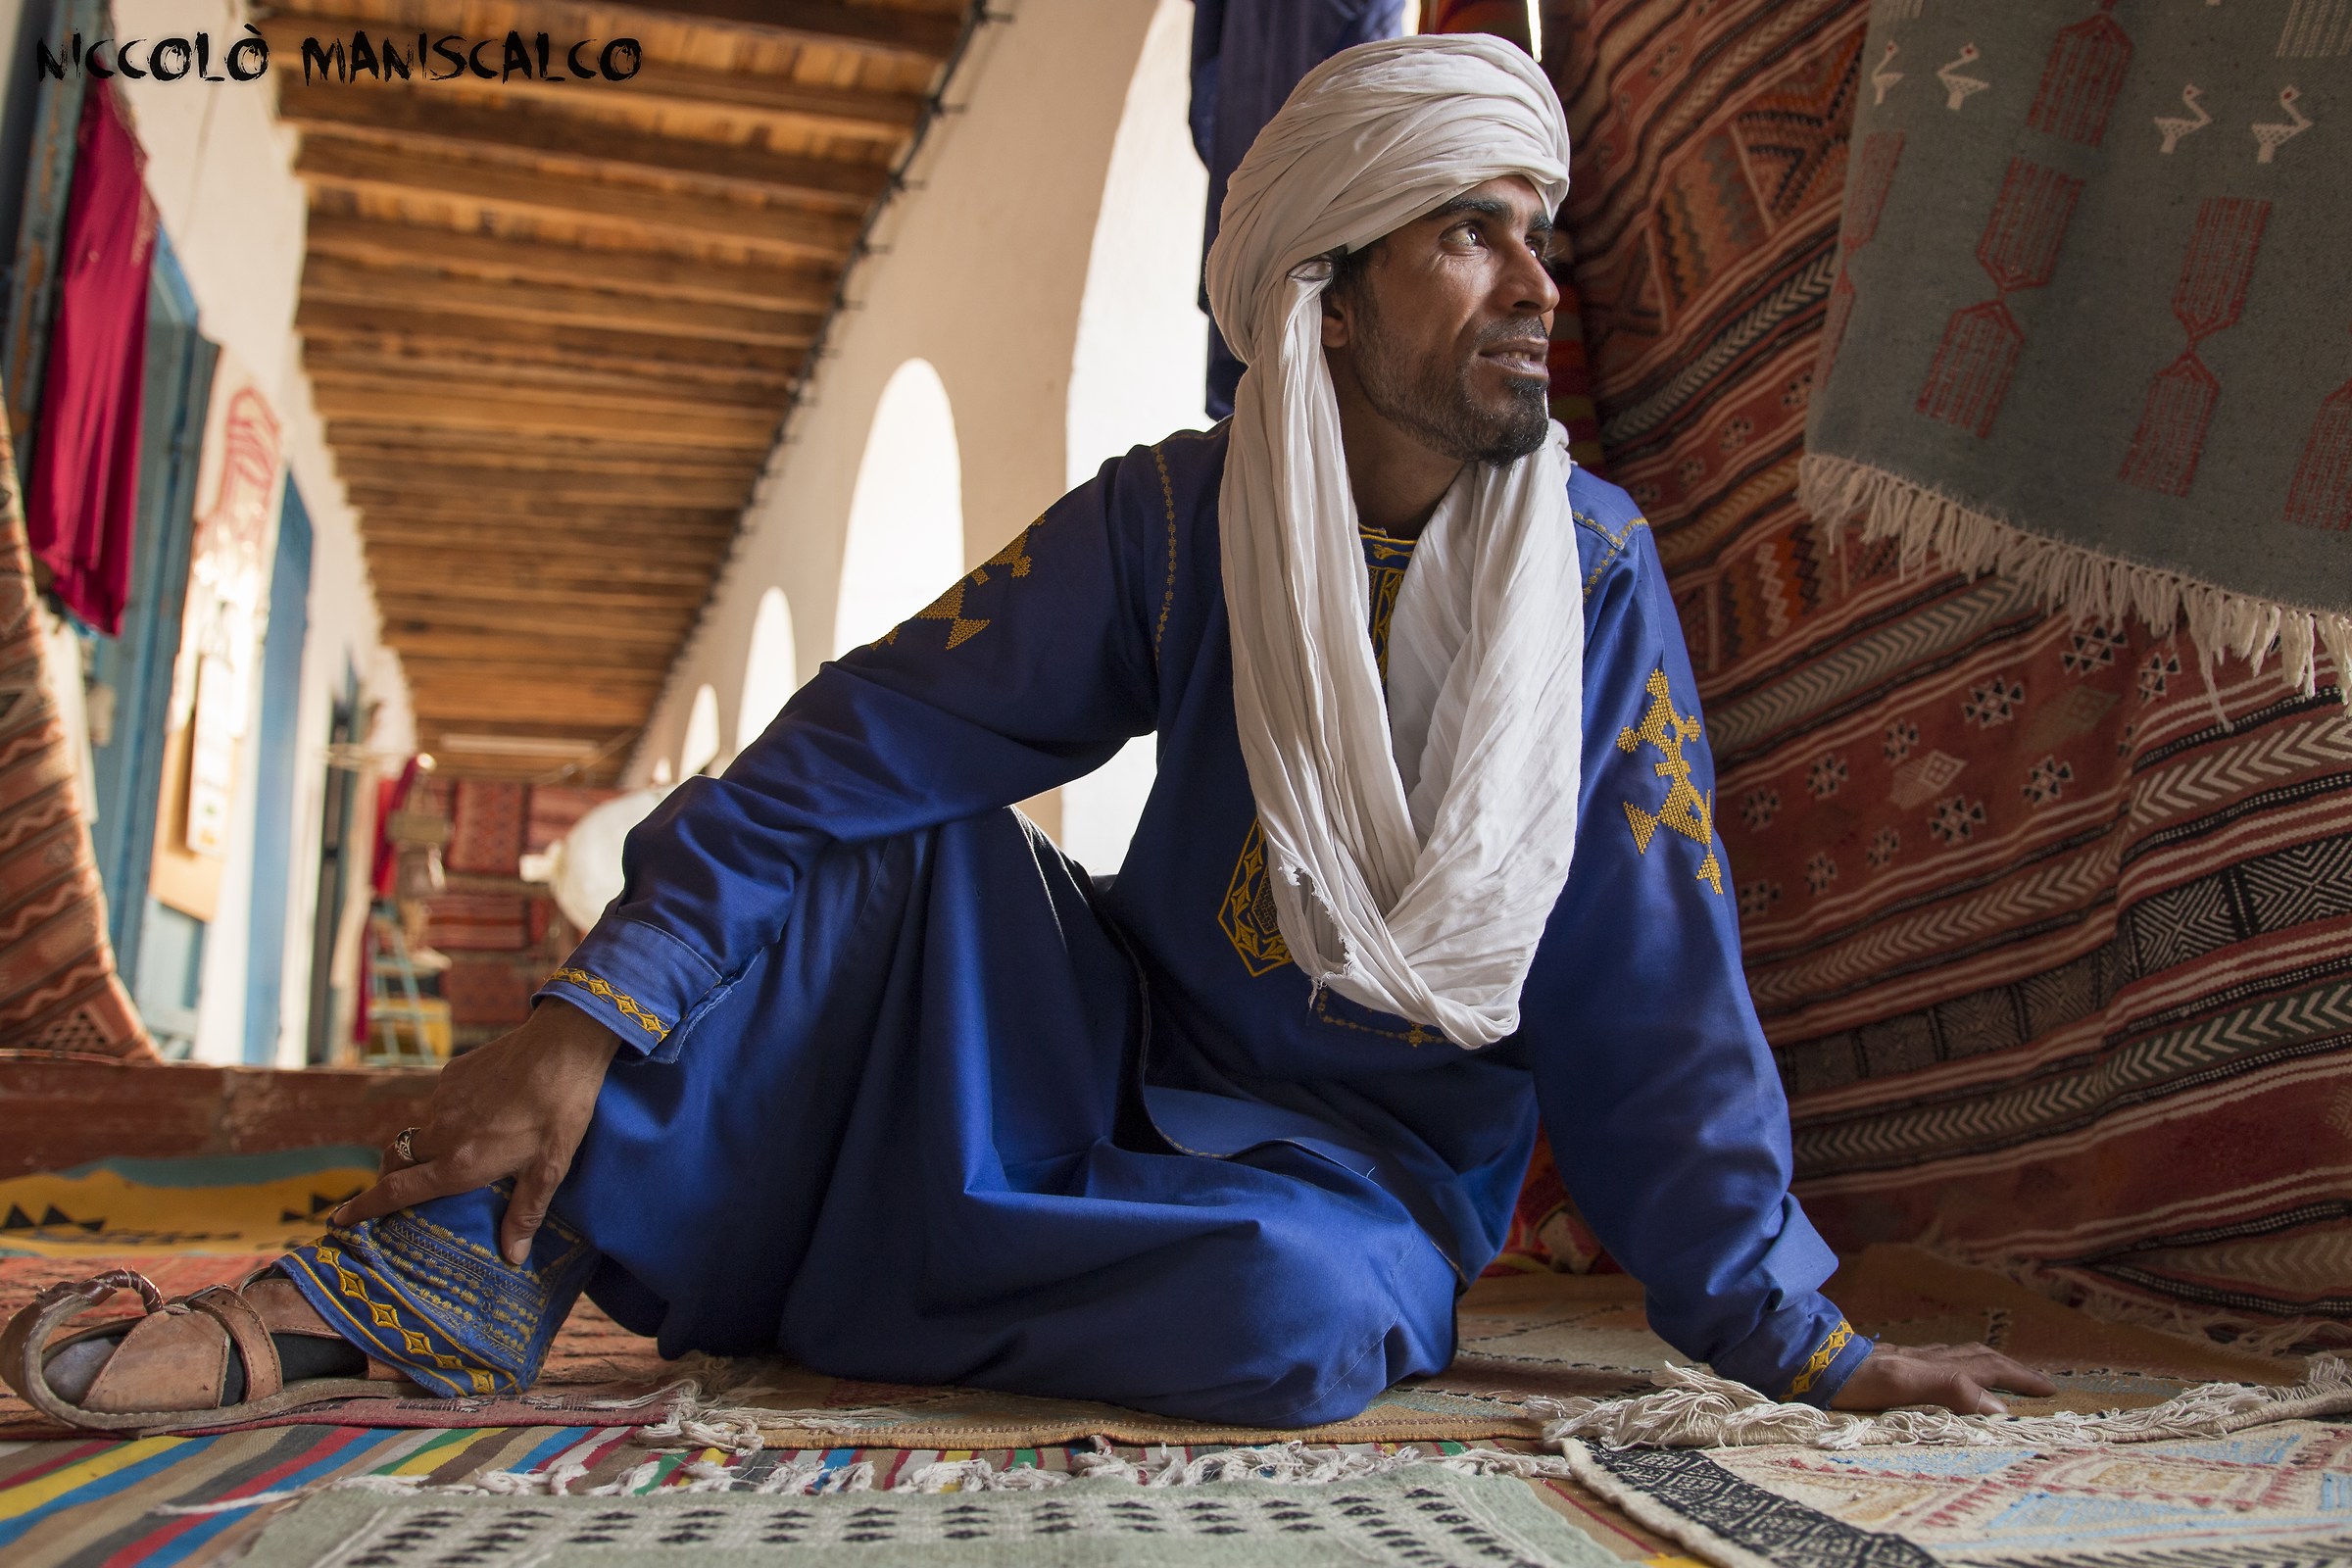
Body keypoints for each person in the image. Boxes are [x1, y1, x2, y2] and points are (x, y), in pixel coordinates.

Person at [5, 36, 2051, 1434]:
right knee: (851, 837)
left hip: (1356, 1172)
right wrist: (586, 1013)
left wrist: (1801, 1335)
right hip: (1102, 1037)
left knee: (1298, 1320)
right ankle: (424, 1280)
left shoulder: (1590, 577)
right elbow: (854, 742)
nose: (1538, 274)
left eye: (1536, 223)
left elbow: (1653, 982)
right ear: (1328, 303)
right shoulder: (1180, 512)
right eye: (1472, 230)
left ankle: (810, 1246)